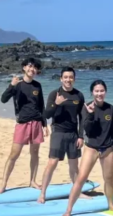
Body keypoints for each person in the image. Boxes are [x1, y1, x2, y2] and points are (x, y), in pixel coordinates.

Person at [61, 80, 113, 216]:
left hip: (107, 149)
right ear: (92, 92)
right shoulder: (86, 107)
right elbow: (87, 129)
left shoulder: (110, 108)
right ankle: (69, 209)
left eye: (102, 91)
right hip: (91, 147)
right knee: (81, 178)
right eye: (97, 91)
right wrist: (91, 114)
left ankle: (110, 204)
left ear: (105, 92)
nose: (99, 93)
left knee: (109, 179)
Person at [0, 57, 48, 193]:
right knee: (14, 154)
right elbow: (3, 99)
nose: (32, 69)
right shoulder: (17, 85)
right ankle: (3, 183)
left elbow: (41, 105)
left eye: (35, 68)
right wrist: (11, 86)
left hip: (37, 123)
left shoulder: (37, 86)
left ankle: (32, 181)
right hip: (22, 123)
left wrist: (45, 124)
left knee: (35, 153)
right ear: (24, 68)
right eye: (30, 66)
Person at [37, 67, 85, 203]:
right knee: (52, 162)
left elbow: (82, 117)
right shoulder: (54, 94)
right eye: (65, 77)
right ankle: (42, 193)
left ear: (74, 79)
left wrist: (81, 136)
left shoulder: (79, 95)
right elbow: (46, 115)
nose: (68, 80)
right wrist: (56, 104)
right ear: (61, 79)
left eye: (71, 77)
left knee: (74, 166)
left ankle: (78, 192)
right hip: (58, 132)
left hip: (73, 134)